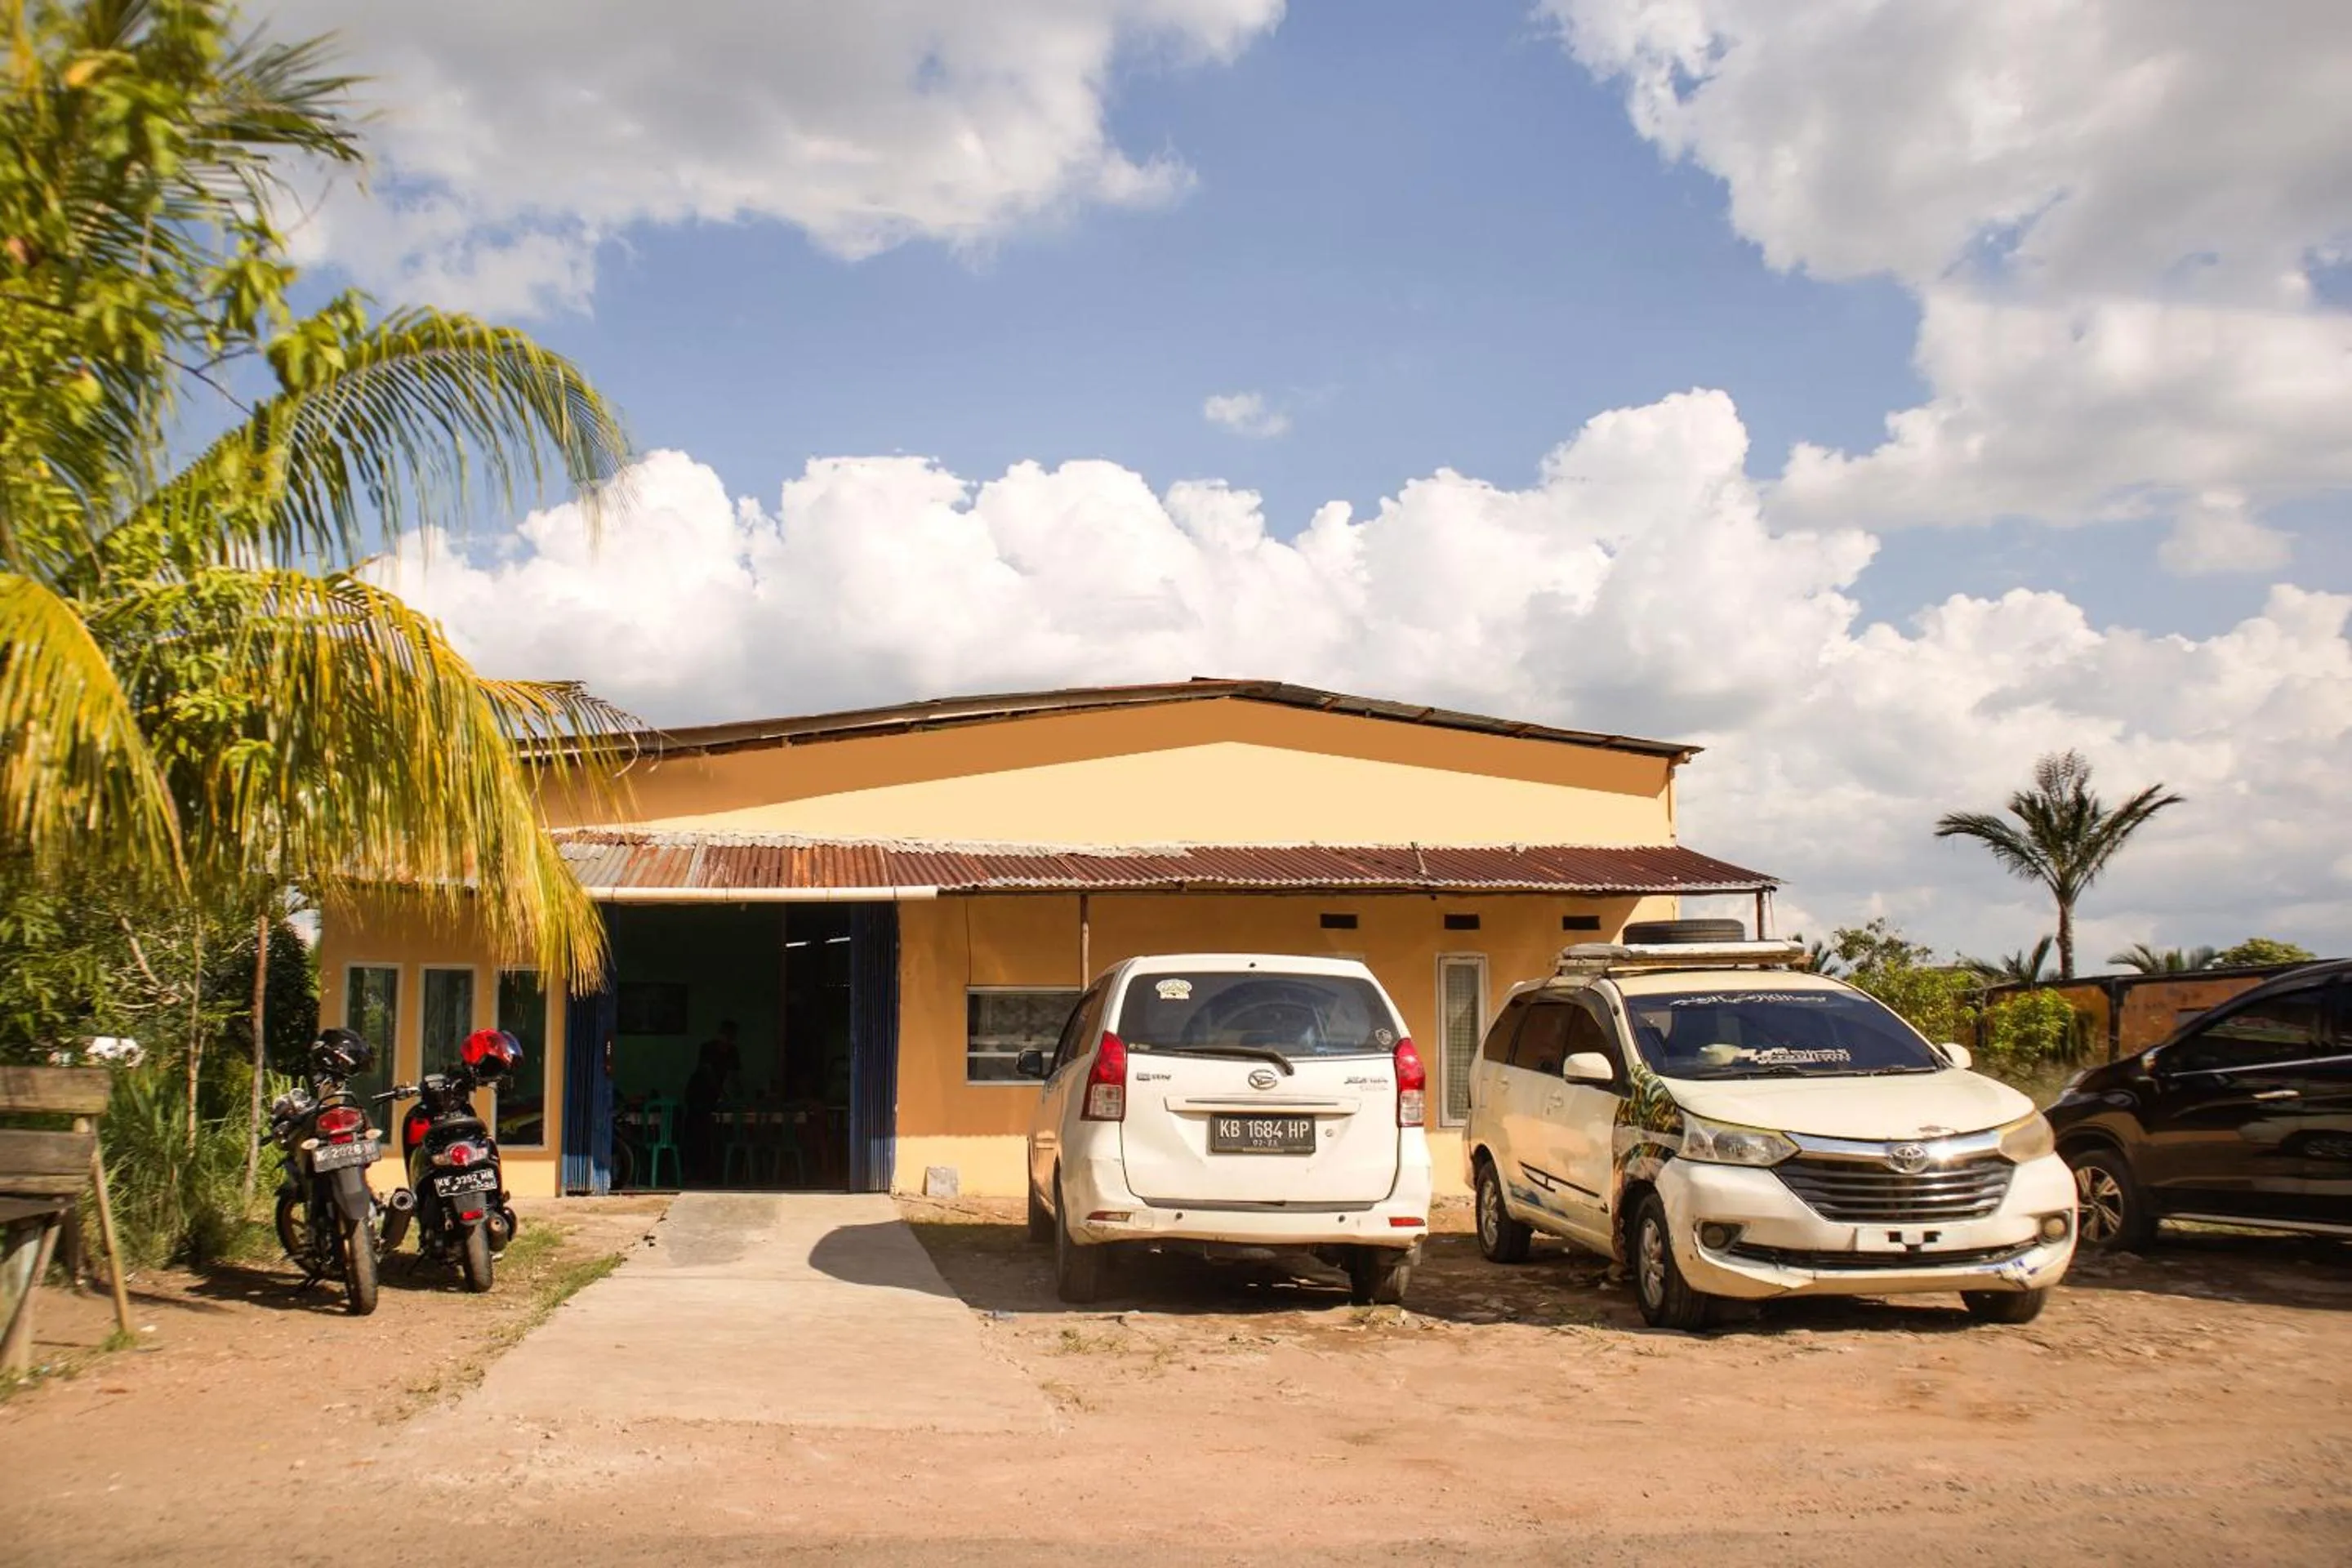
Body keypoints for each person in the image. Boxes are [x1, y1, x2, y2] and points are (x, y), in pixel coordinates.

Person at [681, 1021, 741, 1183]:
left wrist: (731, 1096)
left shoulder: (733, 1052)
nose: (727, 1041)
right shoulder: (707, 1049)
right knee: (696, 1132)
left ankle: (711, 1170)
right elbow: (707, 1072)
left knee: (715, 1133)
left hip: (716, 1097)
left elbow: (733, 1076)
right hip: (699, 1095)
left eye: (730, 1038)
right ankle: (694, 1170)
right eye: (725, 1037)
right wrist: (720, 1092)